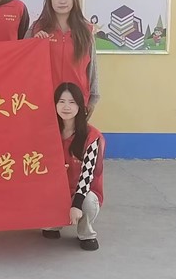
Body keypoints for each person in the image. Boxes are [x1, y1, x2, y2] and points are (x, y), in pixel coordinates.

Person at [42, 82, 105, 251]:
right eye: (61, 101)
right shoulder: (48, 132)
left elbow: (87, 175)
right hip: (56, 191)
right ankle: (53, 224)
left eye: (72, 102)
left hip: (81, 191)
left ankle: (86, 233)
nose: (66, 107)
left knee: (88, 202)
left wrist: (76, 204)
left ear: (80, 106)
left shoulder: (92, 136)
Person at [30, 0, 100, 116]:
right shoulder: (37, 29)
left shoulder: (85, 30)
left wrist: (92, 100)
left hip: (76, 101)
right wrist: (33, 45)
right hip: (43, 101)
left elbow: (92, 68)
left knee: (73, 131)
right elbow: (25, 66)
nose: (62, 1)